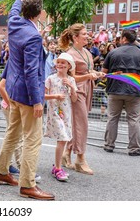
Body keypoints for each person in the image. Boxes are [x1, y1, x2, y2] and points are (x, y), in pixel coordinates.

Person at [0, 0, 55, 200]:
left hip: (13, 90)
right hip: (28, 94)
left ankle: (1, 172)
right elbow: (32, 71)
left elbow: (12, 10)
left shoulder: (14, 23)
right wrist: (37, 100)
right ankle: (27, 184)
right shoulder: (33, 36)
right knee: (32, 139)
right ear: (38, 13)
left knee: (12, 133)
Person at [59, 23, 105, 175]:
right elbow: (68, 77)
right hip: (76, 91)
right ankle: (80, 159)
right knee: (81, 123)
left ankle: (67, 153)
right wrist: (87, 76)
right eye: (84, 34)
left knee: (77, 122)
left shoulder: (87, 52)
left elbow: (88, 70)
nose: (88, 35)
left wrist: (96, 74)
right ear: (75, 37)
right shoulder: (70, 55)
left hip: (87, 89)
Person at [102, 29, 140, 156]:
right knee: (134, 120)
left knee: (112, 118)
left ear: (124, 38)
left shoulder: (113, 53)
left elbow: (104, 72)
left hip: (115, 90)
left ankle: (109, 144)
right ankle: (134, 148)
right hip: (134, 91)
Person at [0, 64, 41, 183]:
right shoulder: (29, 47)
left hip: (14, 101)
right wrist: (37, 101)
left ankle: (3, 171)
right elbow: (1, 86)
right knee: (28, 139)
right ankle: (26, 179)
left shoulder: (15, 49)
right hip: (21, 101)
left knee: (13, 136)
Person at [44, 53, 78, 182]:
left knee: (63, 139)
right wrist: (55, 96)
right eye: (58, 62)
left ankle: (57, 166)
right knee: (63, 139)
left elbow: (74, 99)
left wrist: (71, 86)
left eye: (63, 63)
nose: (60, 65)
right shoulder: (51, 78)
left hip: (66, 113)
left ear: (69, 66)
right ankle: (58, 168)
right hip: (55, 113)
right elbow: (43, 95)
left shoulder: (72, 80)